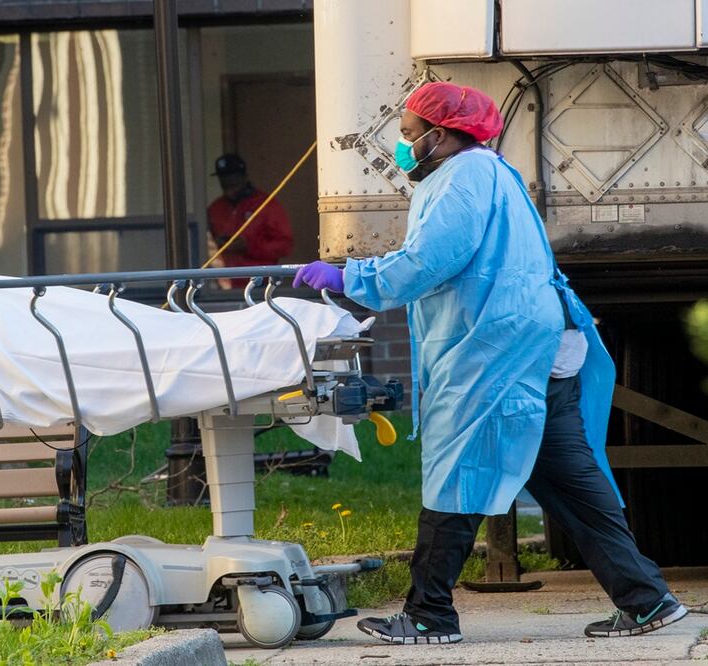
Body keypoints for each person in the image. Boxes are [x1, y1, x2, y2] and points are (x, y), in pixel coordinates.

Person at [293, 81, 687, 645]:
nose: (402, 147)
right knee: (572, 485)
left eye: (408, 136)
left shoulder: (465, 177)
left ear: (441, 134)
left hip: (497, 352)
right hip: (535, 346)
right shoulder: (491, 172)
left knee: (458, 471)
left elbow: (431, 260)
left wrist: (351, 276)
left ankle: (429, 615)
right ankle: (648, 600)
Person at [207, 154, 294, 288]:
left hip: (261, 285)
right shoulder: (215, 208)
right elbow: (205, 245)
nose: (230, 189)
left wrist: (249, 246)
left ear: (244, 177)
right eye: (224, 184)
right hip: (224, 286)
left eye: (233, 183)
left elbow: (285, 246)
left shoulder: (266, 205)